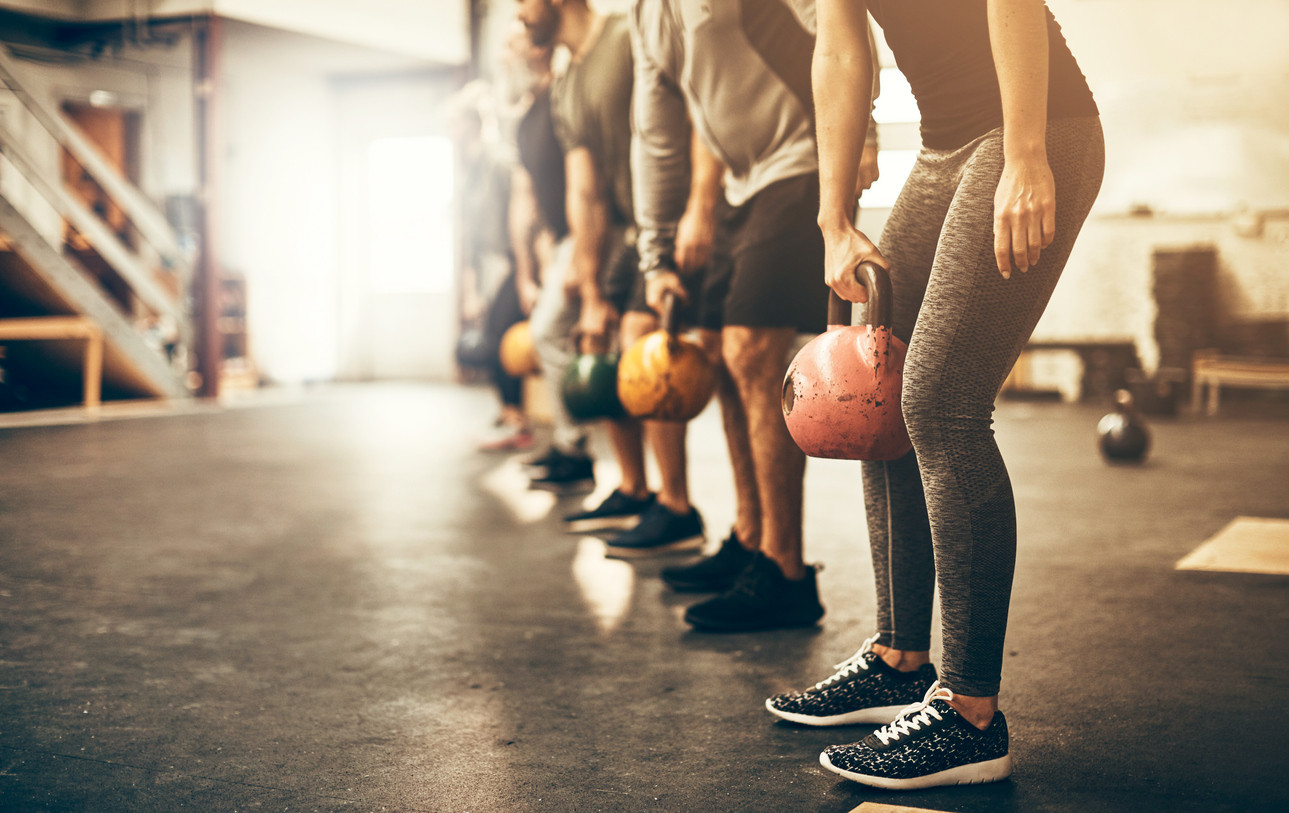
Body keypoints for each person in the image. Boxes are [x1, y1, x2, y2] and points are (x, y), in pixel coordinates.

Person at [764, 0, 1105, 790]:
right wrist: (831, 220)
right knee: (873, 381)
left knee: (940, 405)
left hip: (1035, 128)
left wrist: (1025, 154)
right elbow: (841, 51)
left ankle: (971, 714)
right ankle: (897, 659)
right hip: (946, 146)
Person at [629, 0, 878, 630]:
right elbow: (656, 135)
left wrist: (864, 135)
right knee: (716, 347)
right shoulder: (649, 15)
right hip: (742, 182)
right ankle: (750, 537)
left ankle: (785, 570)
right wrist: (657, 254)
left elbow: (837, 28)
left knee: (750, 348)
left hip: (800, 162)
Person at [516, 0, 710, 557]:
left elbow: (694, 107)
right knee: (598, 338)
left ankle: (676, 507)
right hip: (625, 228)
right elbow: (585, 188)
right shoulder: (567, 79)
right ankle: (633, 487)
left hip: (670, 217)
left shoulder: (627, 36)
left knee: (643, 350)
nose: (520, 15)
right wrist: (591, 287)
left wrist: (699, 207)